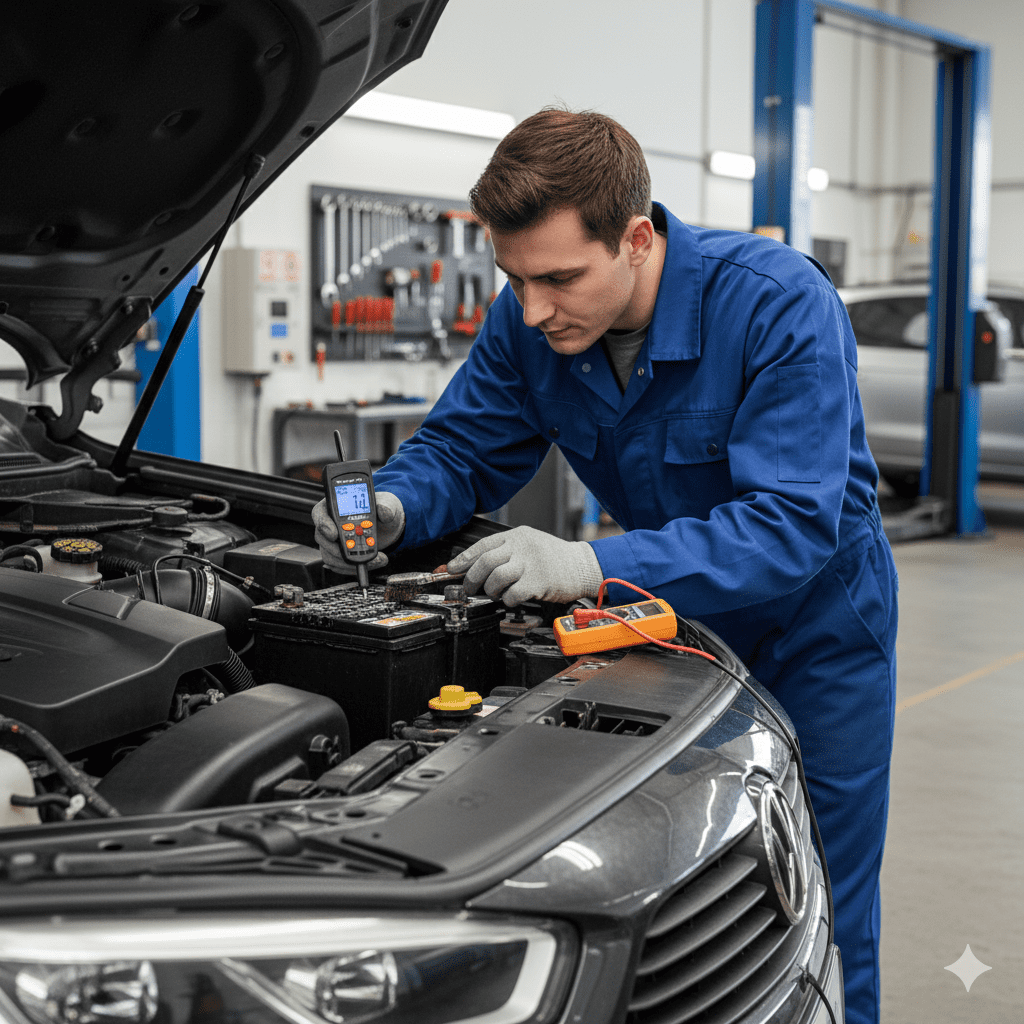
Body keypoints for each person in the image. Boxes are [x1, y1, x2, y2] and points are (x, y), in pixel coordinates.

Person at [313, 107, 896, 1024]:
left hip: (815, 631)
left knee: (813, 883)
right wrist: (393, 505)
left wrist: (587, 563)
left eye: (558, 278)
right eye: (515, 278)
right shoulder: (529, 322)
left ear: (636, 238)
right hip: (664, 623)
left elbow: (789, 526)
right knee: (676, 880)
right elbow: (461, 450)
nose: (533, 309)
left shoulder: (776, 302)